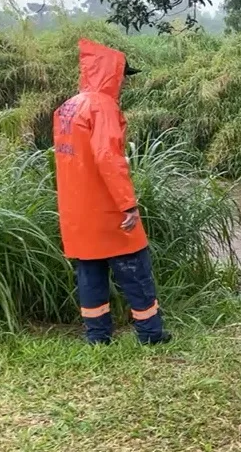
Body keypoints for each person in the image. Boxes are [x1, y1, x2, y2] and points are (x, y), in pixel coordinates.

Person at [52, 39, 170, 345]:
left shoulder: (67, 107)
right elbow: (108, 158)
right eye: (123, 76)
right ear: (111, 73)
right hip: (108, 212)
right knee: (135, 270)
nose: (124, 84)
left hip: (77, 213)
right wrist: (128, 204)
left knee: (90, 274)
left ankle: (97, 338)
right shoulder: (102, 106)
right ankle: (151, 334)